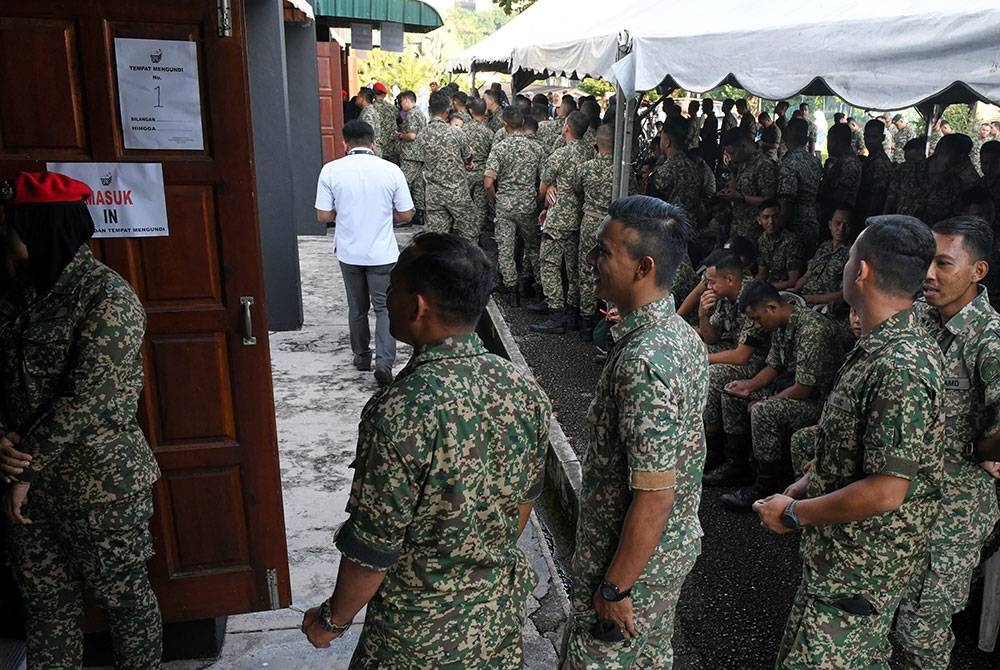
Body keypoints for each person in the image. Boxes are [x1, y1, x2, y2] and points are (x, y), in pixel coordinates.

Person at [300, 232, 552, 667]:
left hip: (415, 640)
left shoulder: (401, 410)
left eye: (393, 286)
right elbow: (523, 503)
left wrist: (332, 621)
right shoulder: (520, 388)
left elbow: (372, 547)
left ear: (417, 306)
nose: (387, 294)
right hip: (495, 626)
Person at [755, 215, 944, 669]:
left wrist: (795, 515)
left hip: (859, 570)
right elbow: (853, 451)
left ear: (861, 271)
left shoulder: (900, 364)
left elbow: (885, 490)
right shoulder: (880, 346)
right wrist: (804, 487)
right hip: (838, 562)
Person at [0, 171, 162, 668]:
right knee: (47, 609)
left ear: (40, 228)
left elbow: (90, 399)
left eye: (12, 224)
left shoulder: (107, 298)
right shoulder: (16, 294)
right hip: (27, 492)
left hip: (99, 488)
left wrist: (24, 469)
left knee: (126, 605)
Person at [565, 196, 707, 669]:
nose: (591, 261)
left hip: (633, 570)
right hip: (662, 557)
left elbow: (654, 496)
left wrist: (615, 587)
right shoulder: (678, 334)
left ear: (643, 267)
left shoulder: (645, 361)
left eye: (604, 253)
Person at [894, 216, 1000, 669]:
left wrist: (988, 450)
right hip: (907, 497)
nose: (929, 275)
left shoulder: (989, 338)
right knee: (893, 614)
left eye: (943, 263)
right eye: (926, 262)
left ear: (977, 271)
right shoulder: (922, 315)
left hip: (955, 510)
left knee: (922, 627)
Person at [718, 280, 841, 510]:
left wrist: (765, 400)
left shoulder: (812, 328)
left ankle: (766, 483)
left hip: (819, 402)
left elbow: (804, 388)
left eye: (757, 318)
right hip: (794, 390)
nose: (757, 324)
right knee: (732, 394)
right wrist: (748, 386)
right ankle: (736, 466)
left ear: (772, 307)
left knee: (764, 411)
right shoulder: (780, 325)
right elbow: (773, 367)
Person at [315, 120, 414, 386]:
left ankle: (361, 357)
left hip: (349, 252)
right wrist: (385, 217)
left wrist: (345, 214)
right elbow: (406, 213)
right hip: (382, 253)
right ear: (373, 143)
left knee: (357, 308)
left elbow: (323, 214)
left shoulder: (331, 171)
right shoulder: (391, 170)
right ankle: (384, 363)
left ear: (344, 143)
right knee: (384, 308)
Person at [698, 250, 771, 486]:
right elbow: (711, 338)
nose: (708, 287)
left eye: (711, 281)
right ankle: (701, 440)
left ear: (730, 279)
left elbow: (741, 356)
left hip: (758, 361)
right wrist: (702, 314)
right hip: (733, 350)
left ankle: (724, 456)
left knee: (711, 373)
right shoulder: (724, 297)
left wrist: (703, 359)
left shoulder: (752, 295)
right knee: (690, 352)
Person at [530, 111, 593, 334]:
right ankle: (573, 313)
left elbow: (543, 187)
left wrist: (544, 201)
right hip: (581, 218)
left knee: (549, 265)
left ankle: (556, 314)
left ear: (566, 127)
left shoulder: (560, 155)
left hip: (558, 219)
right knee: (574, 267)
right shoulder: (590, 153)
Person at [485, 107, 544, 304]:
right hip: (527, 203)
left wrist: (495, 198)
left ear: (505, 125)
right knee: (533, 246)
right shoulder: (536, 148)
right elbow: (544, 180)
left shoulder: (500, 147)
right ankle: (540, 288)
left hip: (505, 204)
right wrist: (536, 200)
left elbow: (488, 182)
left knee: (505, 247)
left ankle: (511, 291)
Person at [417, 91, 477, 242]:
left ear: (430, 109)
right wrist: (468, 162)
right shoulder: (456, 133)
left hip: (434, 194)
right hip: (457, 193)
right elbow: (467, 157)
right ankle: (468, 265)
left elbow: (421, 158)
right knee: (469, 234)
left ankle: (438, 265)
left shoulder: (422, 135)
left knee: (437, 241)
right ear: (447, 110)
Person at [575, 124, 617, 340]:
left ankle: (586, 320)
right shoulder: (622, 170)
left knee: (586, 270)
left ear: (596, 144)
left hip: (590, 221)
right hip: (613, 226)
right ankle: (610, 318)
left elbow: (577, 190)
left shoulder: (585, 168)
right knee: (612, 270)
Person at [718, 128, 779, 240]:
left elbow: (768, 201)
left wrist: (741, 197)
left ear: (743, 146)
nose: (732, 157)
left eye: (733, 153)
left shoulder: (763, 165)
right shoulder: (742, 163)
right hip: (738, 225)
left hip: (754, 229)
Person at [777, 118, 823, 250]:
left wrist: (778, 227)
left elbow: (787, 200)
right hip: (813, 220)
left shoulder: (789, 163)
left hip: (795, 224)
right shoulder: (814, 161)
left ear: (787, 135)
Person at [651, 119, 701, 218]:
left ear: (667, 142)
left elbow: (653, 201)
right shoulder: (694, 166)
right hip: (690, 225)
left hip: (670, 225)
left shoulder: (666, 170)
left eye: (661, 138)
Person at [755, 199, 805, 290]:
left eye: (775, 217)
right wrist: (754, 285)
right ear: (759, 220)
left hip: (786, 289)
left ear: (780, 218)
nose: (771, 221)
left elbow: (793, 281)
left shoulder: (791, 241)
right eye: (766, 217)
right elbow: (762, 273)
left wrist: (766, 287)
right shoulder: (762, 239)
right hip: (769, 285)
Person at [395, 91, 426, 227]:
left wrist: (400, 135)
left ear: (407, 100)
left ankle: (405, 216)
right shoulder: (419, 112)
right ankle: (419, 215)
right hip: (419, 154)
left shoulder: (412, 114)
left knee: (404, 183)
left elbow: (412, 136)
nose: (401, 105)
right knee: (418, 185)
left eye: (402, 102)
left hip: (410, 155)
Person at [858, 119, 894, 221]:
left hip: (871, 216)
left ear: (882, 138)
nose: (870, 141)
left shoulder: (880, 162)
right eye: (867, 137)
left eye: (874, 137)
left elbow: (877, 198)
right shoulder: (871, 158)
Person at [372, 82, 399, 162]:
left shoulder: (371, 108)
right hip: (392, 146)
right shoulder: (392, 108)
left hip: (378, 147)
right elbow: (399, 119)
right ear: (384, 95)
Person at [355, 88, 380, 156]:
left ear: (362, 98)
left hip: (370, 151)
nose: (356, 98)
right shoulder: (370, 110)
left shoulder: (367, 113)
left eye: (358, 96)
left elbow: (368, 132)